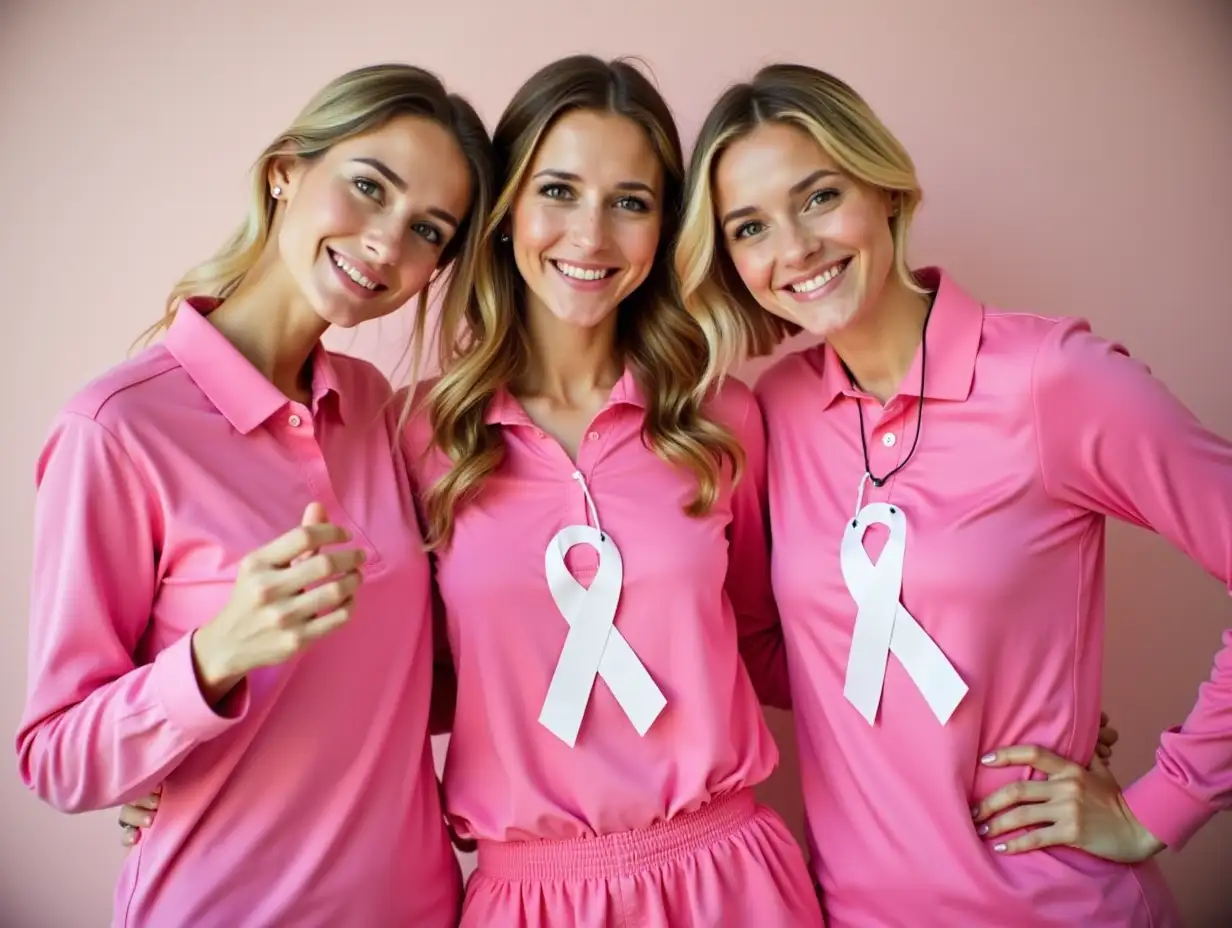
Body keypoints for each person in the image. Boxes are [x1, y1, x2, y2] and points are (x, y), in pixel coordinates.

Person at [675, 62, 1231, 926]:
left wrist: (1163, 804)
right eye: (750, 227)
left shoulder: (1053, 381)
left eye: (819, 197)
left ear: (886, 191)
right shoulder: (776, 413)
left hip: (1061, 910)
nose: (793, 249)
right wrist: (976, 685)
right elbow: (768, 645)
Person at [16, 63, 493, 927]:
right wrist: (212, 659)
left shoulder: (378, 414)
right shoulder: (118, 430)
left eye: (428, 228)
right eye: (367, 187)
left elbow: (402, 691)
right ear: (284, 172)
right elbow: (56, 760)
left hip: (420, 909)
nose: (388, 243)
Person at [404, 55, 821, 927]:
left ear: (664, 228)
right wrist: (227, 761)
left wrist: (994, 714)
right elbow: (395, 680)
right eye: (558, 191)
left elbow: (776, 642)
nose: (590, 238)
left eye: (629, 202)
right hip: (528, 897)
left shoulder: (721, 419)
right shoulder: (419, 437)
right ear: (506, 207)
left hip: (731, 881)